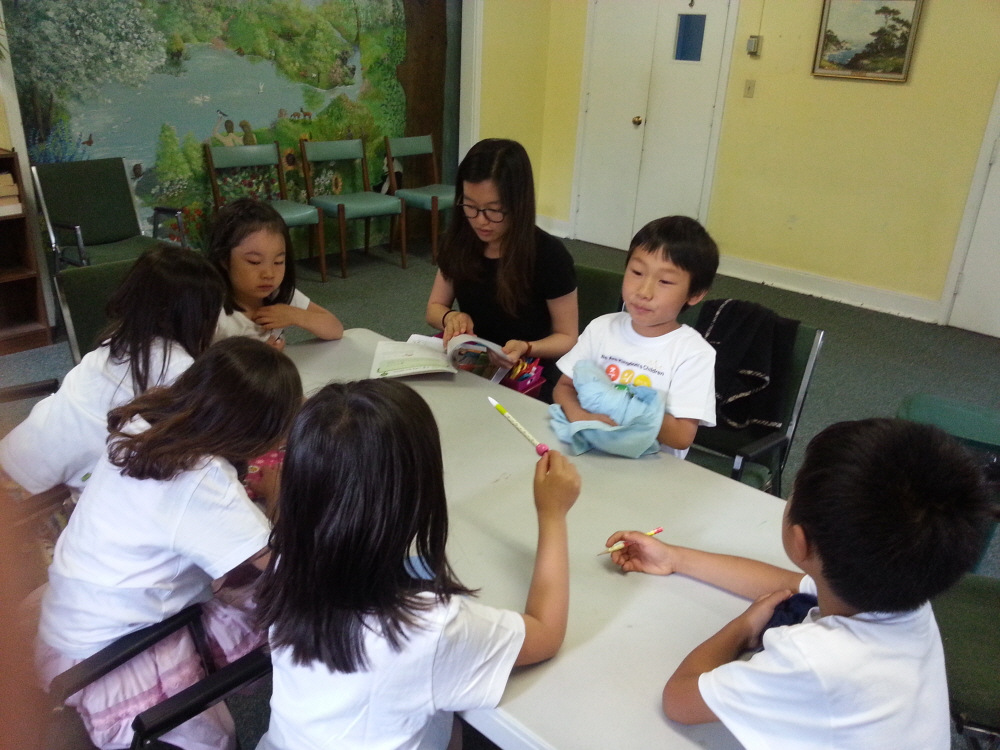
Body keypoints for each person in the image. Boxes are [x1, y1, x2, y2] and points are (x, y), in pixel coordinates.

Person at [607, 418, 992, 749]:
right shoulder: (908, 593)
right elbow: (788, 583)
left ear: (799, 540)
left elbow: (680, 700)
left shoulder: (813, 661)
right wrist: (675, 558)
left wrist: (744, 627)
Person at [256, 379, 581, 750]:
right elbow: (546, 634)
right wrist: (553, 513)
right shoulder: (430, 626)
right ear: (418, 489)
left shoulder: (288, 563)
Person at [36, 337, 303, 750]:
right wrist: (276, 500)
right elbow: (288, 571)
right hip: (113, 660)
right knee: (281, 604)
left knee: (244, 586)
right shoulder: (202, 481)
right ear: (258, 433)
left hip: (71, 623)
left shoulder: (143, 426)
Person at [0, 244, 226, 498]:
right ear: (195, 316)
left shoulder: (120, 337)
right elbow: (203, 433)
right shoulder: (178, 366)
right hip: (52, 483)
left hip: (24, 447)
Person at [425, 139, 578, 402]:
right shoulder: (459, 241)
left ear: (518, 204)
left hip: (528, 371)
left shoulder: (548, 255)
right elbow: (434, 308)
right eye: (470, 206)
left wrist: (527, 347)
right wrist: (451, 317)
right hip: (475, 362)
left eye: (494, 210)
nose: (480, 221)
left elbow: (567, 337)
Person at [553, 216, 718, 458]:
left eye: (665, 281)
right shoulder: (602, 328)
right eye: (637, 272)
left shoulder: (693, 353)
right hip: (590, 449)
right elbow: (564, 387)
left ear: (695, 294)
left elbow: (681, 437)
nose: (644, 291)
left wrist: (621, 405)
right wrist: (580, 416)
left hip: (649, 466)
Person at [207, 198, 343, 349]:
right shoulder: (212, 313)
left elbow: (335, 329)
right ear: (224, 260)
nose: (269, 274)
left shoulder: (278, 294)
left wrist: (296, 315)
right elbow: (195, 363)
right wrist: (261, 358)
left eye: (278, 262)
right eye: (254, 262)